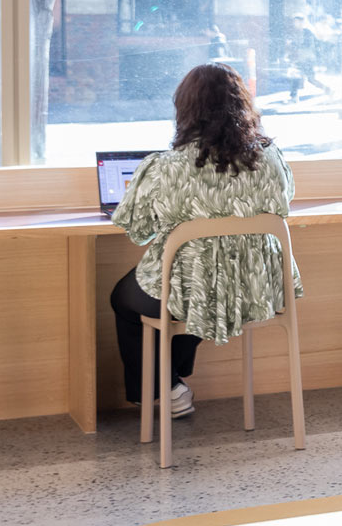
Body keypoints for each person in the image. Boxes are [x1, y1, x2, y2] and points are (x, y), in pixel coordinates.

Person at [110, 63, 301, 419]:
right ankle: (172, 382)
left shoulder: (166, 167)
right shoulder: (271, 158)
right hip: (255, 290)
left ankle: (163, 390)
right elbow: (282, 205)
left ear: (185, 108)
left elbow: (138, 229)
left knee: (128, 298)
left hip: (196, 291)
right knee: (198, 289)